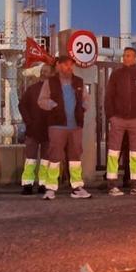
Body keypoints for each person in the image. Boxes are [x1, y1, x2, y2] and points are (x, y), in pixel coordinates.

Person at [38, 56, 91, 200]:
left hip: (75, 126)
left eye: (71, 65)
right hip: (57, 125)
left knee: (75, 157)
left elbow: (86, 99)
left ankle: (77, 187)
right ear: (58, 66)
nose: (69, 67)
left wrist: (84, 107)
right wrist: (54, 106)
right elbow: (42, 100)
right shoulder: (50, 82)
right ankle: (50, 188)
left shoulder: (79, 82)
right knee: (55, 156)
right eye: (66, 65)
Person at [105, 47, 136, 196]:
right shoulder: (116, 75)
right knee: (113, 152)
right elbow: (109, 96)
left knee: (135, 153)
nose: (125, 58)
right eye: (124, 55)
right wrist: (111, 116)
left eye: (129, 56)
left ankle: (134, 183)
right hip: (118, 119)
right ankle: (111, 183)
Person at [19, 64, 53, 195]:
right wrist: (28, 122)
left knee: (45, 159)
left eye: (47, 71)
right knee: (30, 158)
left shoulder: (55, 91)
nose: (44, 73)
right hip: (33, 130)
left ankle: (43, 184)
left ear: (51, 74)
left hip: (48, 130)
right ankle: (27, 184)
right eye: (43, 71)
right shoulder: (32, 89)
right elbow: (22, 105)